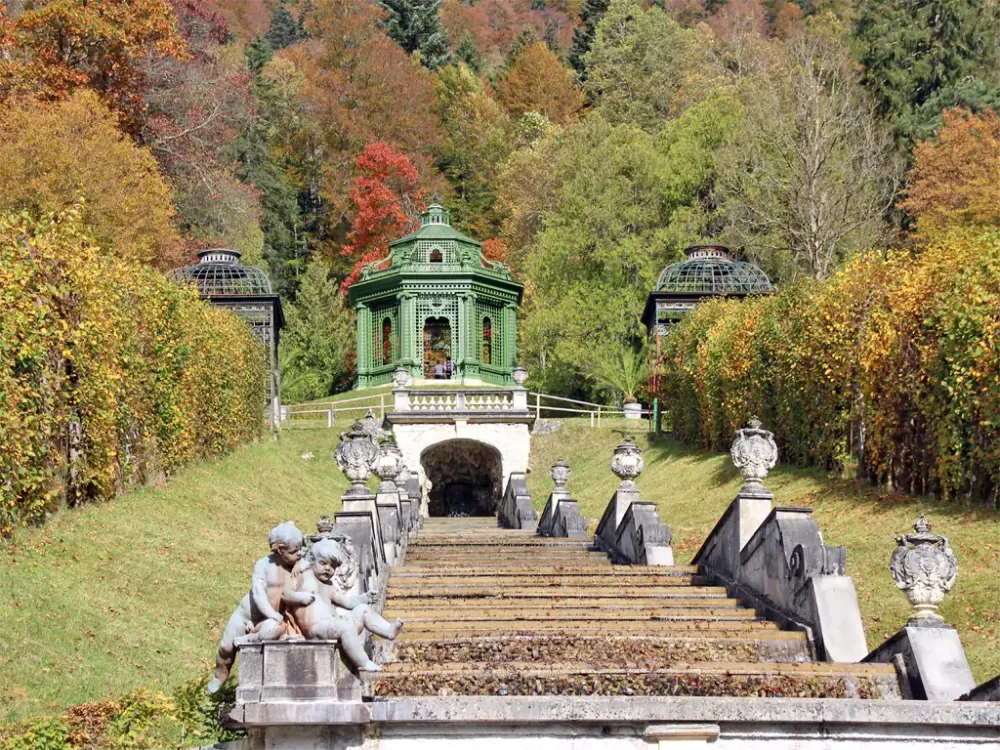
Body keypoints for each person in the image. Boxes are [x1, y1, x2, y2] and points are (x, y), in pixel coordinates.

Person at [207, 522, 311, 693]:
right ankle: (220, 676)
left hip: (271, 620)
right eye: (294, 551)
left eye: (300, 549)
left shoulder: (299, 567)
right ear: (280, 550)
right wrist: (271, 613)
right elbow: (258, 594)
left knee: (272, 630)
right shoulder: (263, 565)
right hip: (247, 615)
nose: (299, 554)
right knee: (226, 647)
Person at [287, 538, 404, 671]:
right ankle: (363, 662)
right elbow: (286, 585)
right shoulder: (304, 576)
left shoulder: (329, 586)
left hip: (332, 625)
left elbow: (348, 602)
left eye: (332, 567)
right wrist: (301, 566)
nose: (327, 568)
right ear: (311, 561)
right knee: (345, 626)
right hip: (316, 628)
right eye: (323, 563)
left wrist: (364, 598)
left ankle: (388, 630)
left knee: (363, 609)